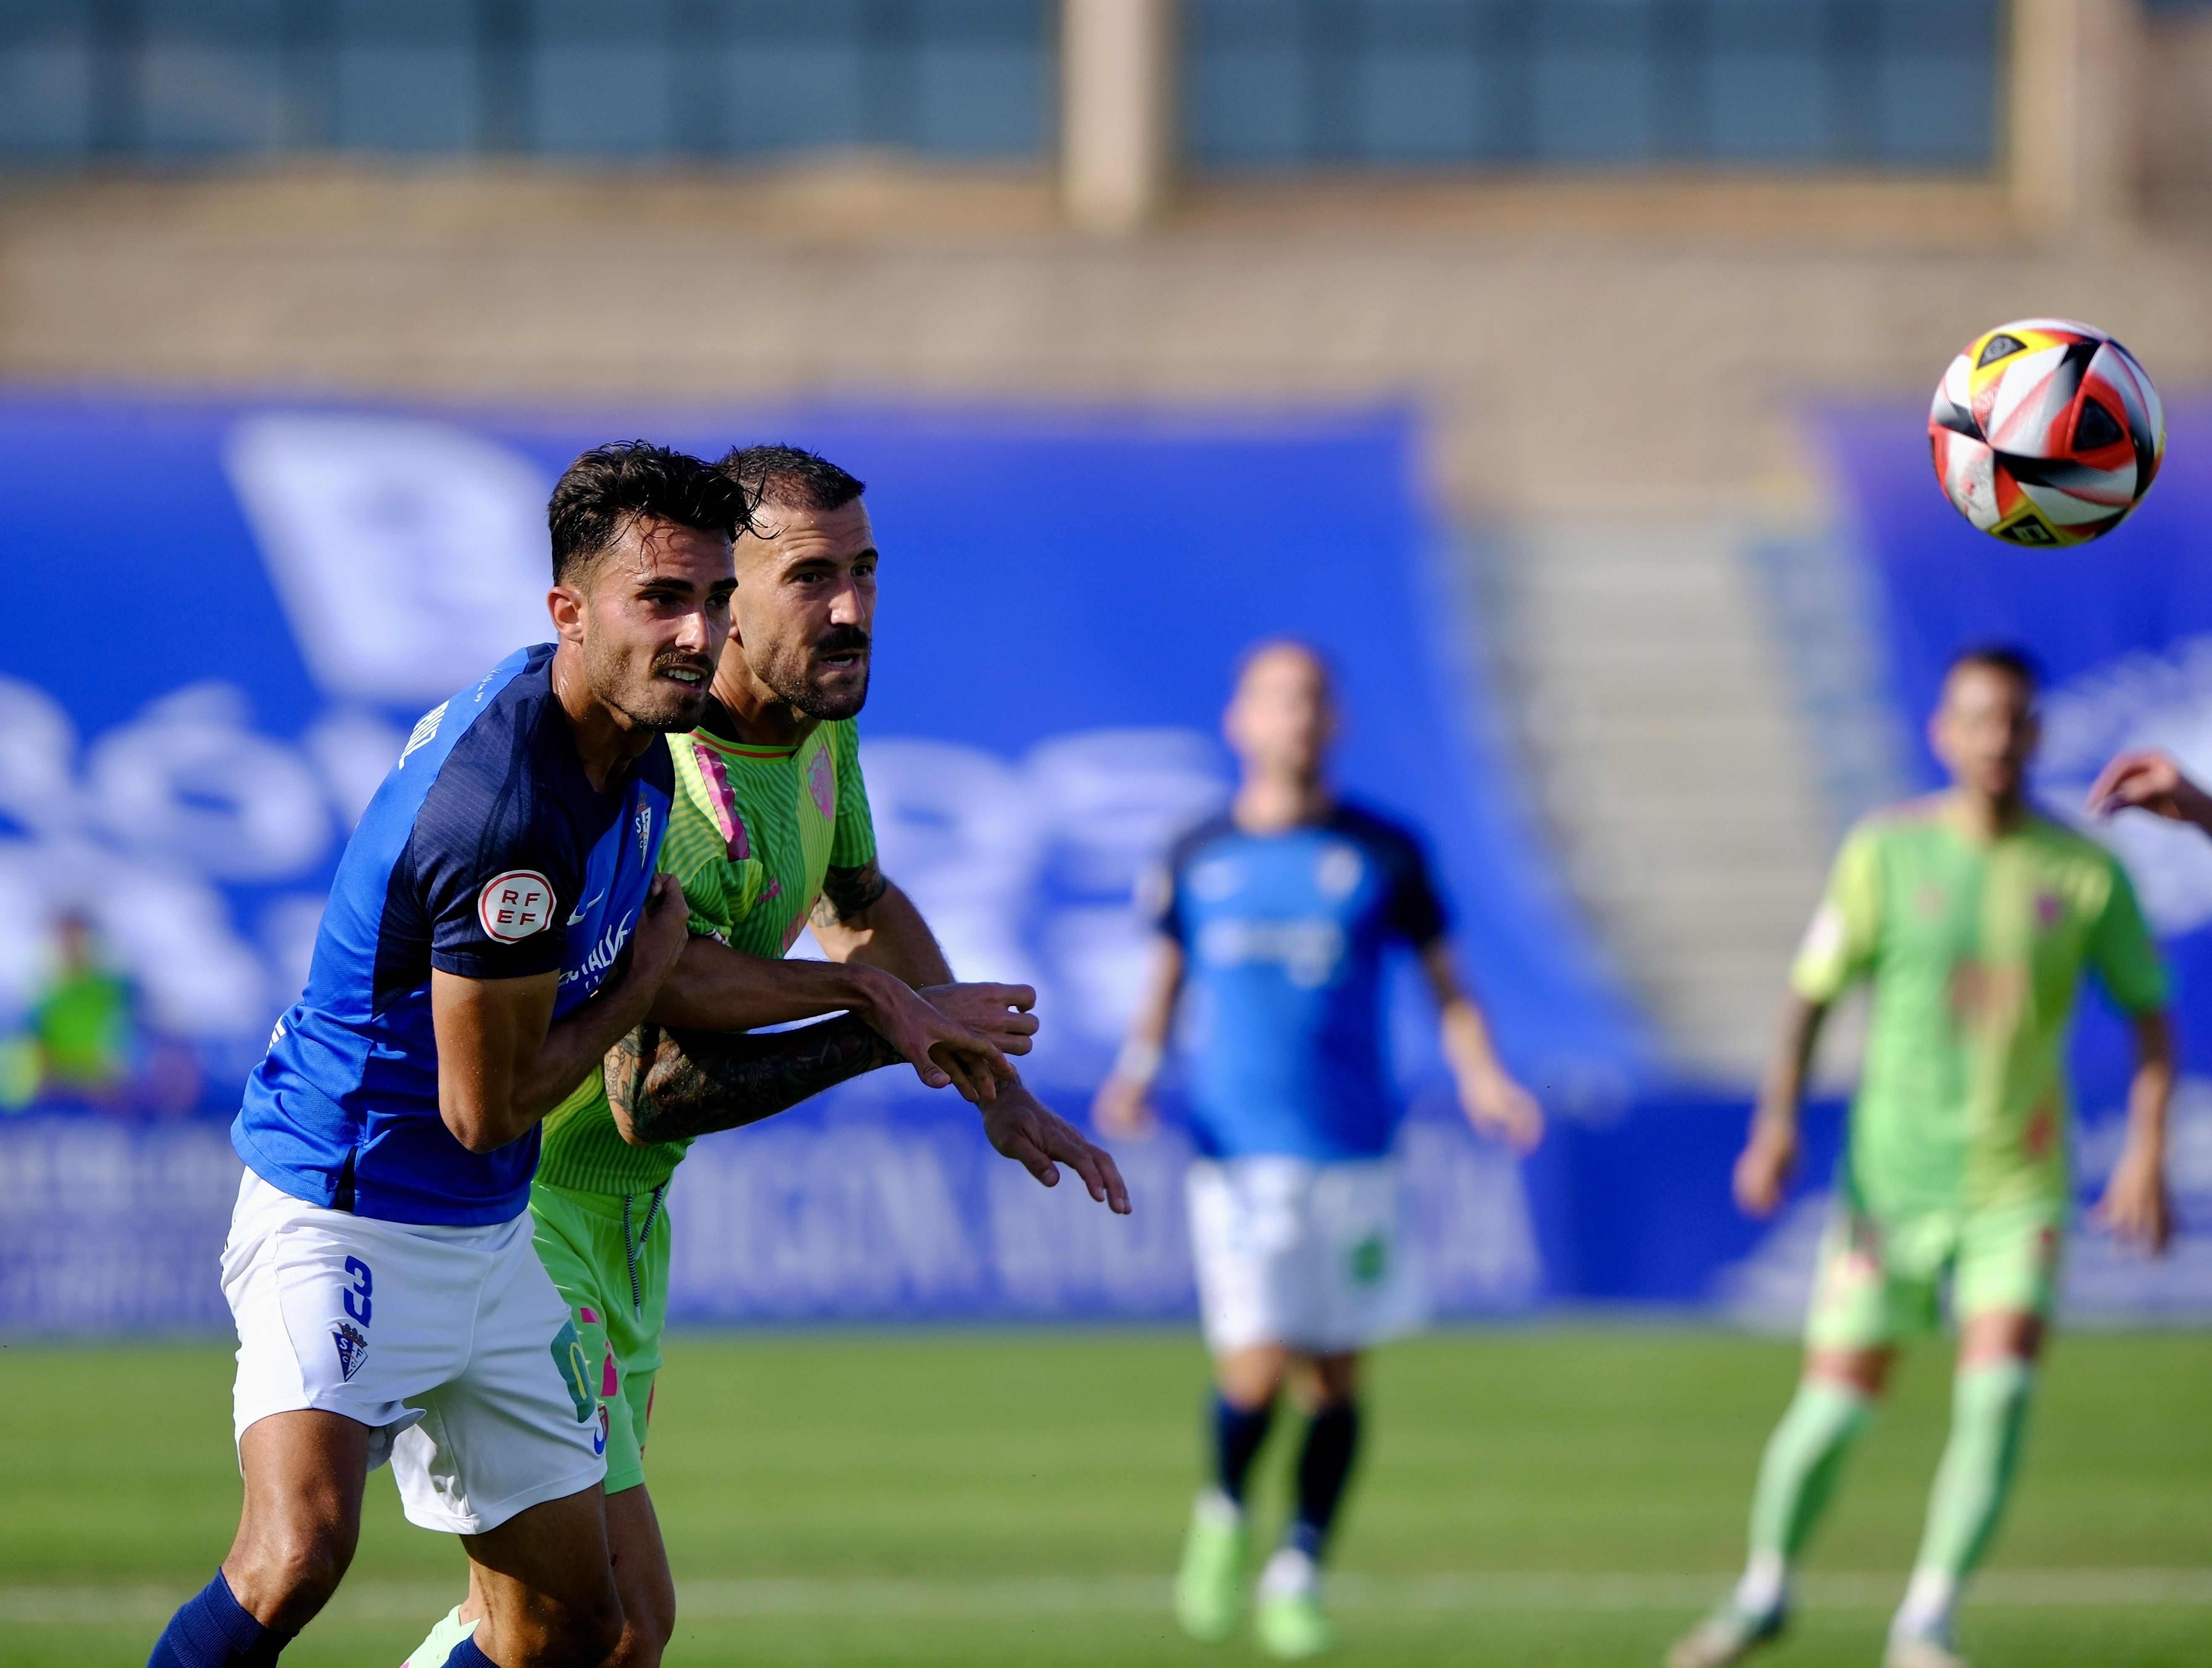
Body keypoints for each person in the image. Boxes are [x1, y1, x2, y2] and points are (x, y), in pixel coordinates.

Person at [402, 443, 1129, 1668]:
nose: (849, 608)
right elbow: (649, 1087)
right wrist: (879, 1019)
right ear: (724, 599)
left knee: (584, 1634)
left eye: (864, 571)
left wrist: (987, 1082)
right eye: (809, 577)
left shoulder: (815, 732)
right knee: (607, 1622)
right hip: (519, 1223)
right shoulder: (660, 776)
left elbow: (863, 900)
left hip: (625, 1231)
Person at [145, 442, 747, 1668]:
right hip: (348, 1206)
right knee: (294, 1557)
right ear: (567, 613)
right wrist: (639, 983)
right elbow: (487, 1106)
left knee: (584, 1625)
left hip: (487, 1235)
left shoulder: (622, 736)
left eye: (717, 597)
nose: (700, 632)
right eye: (664, 600)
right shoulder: (508, 815)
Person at [1667, 646, 2175, 1668]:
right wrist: (1774, 1125)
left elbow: (2150, 1025)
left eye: (2014, 721)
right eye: (1976, 720)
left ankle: (1925, 1620)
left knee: (1997, 1394)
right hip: (1888, 1189)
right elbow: (1809, 993)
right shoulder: (1882, 854)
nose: (1996, 739)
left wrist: (2143, 1155)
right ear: (1942, 734)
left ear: (2036, 735)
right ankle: (1763, 1591)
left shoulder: (2083, 872)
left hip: (2015, 1187)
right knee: (1832, 1411)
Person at [1094, 640, 1542, 1660]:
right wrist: (1135, 1069)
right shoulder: (1195, 853)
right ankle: (1221, 1514)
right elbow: (1164, 983)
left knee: (1334, 1380)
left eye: (1311, 701)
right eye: (1275, 700)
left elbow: (1449, 990)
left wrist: (1483, 1078)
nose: (1294, 718)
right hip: (1238, 1156)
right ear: (1239, 722)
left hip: (1354, 1152)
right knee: (1254, 1368)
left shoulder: (1384, 851)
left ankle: (1299, 1568)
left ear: (1332, 723)